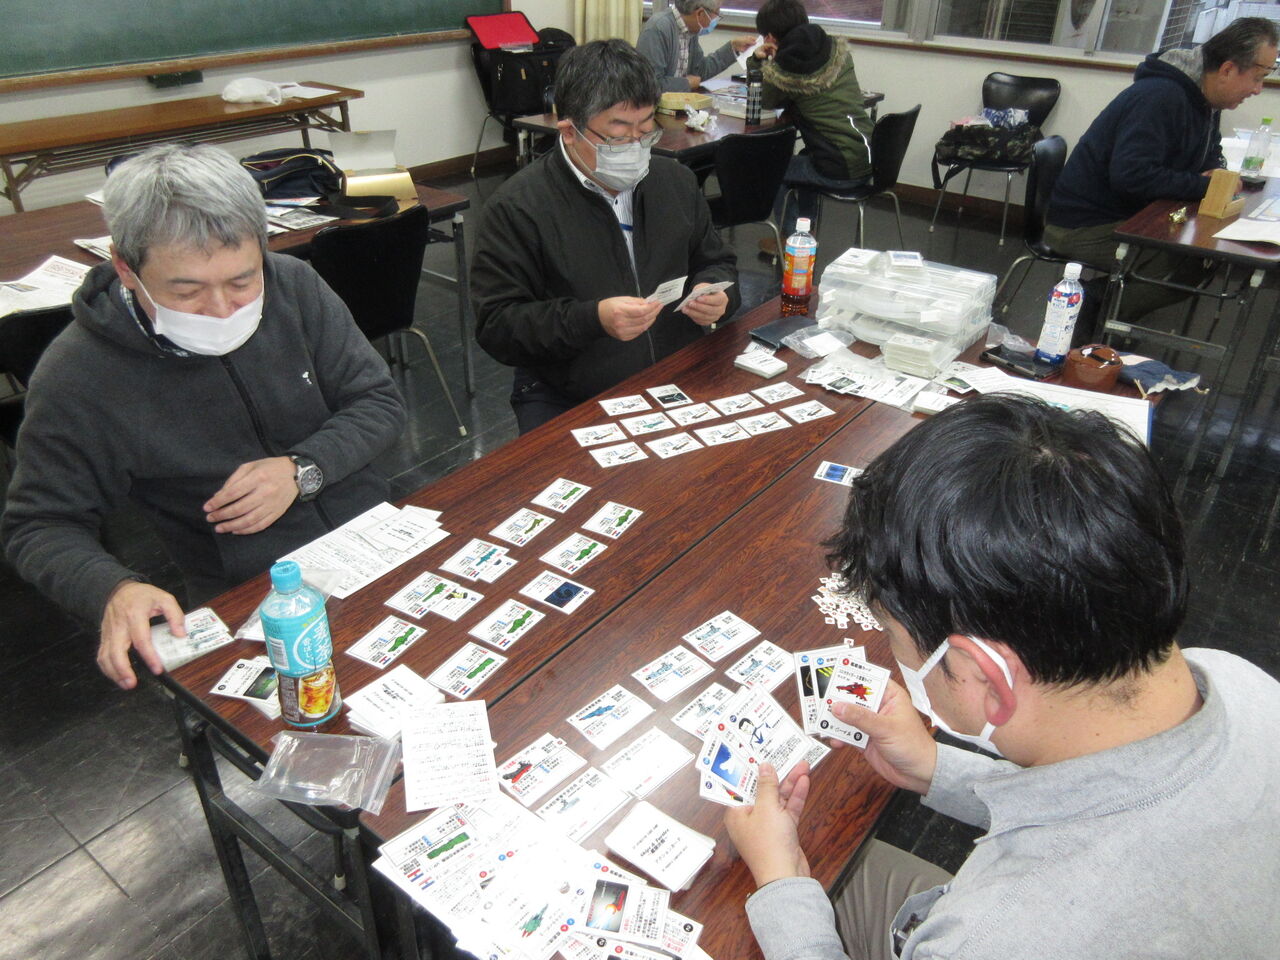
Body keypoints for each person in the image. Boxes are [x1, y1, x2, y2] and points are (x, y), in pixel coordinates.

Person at [725, 394, 1280, 960]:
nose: (896, 654)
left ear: (983, 676)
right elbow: (1106, 799)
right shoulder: (1238, 680)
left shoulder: (989, 937)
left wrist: (780, 882)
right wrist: (937, 768)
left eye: (892, 636)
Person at [1, 144, 407, 691]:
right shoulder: (79, 375)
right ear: (125, 268)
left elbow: (378, 400)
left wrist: (302, 469)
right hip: (244, 585)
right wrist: (112, 589)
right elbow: (39, 524)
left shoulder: (293, 284)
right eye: (187, 290)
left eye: (242, 281)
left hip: (373, 533)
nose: (222, 309)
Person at [472, 39, 739, 433]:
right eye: (617, 136)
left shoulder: (675, 181)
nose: (635, 147)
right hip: (571, 393)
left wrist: (717, 295)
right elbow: (498, 326)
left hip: (675, 373)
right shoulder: (518, 208)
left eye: (645, 130)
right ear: (569, 131)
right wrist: (592, 319)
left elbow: (717, 262)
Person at [1046, 17, 1278, 325]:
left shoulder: (1205, 100)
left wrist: (1216, 174)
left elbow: (1210, 153)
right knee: (1190, 262)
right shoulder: (1160, 97)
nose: (1258, 89)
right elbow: (1131, 176)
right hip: (1085, 225)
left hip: (1138, 213)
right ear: (1227, 69)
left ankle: (1106, 308)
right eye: (1258, 78)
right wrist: (1205, 186)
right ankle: (1089, 309)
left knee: (1202, 255)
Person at [751, 0, 873, 241]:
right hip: (868, 156)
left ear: (770, 37)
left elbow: (765, 100)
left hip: (840, 168)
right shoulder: (833, 47)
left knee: (769, 169)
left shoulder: (789, 65)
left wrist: (758, 61)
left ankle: (790, 238)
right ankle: (806, 231)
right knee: (807, 157)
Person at [637, 0, 755, 93]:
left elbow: (699, 72)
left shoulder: (690, 29)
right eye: (716, 13)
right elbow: (649, 85)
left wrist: (733, 48)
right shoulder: (657, 29)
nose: (716, 18)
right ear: (700, 14)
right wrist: (686, 83)